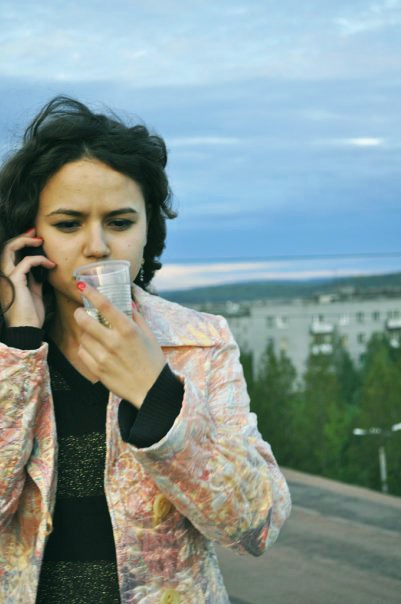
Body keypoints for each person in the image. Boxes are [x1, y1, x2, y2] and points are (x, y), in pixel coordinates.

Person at [0, 96, 291, 604]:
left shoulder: (199, 341)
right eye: (68, 224)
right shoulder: (9, 350)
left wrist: (158, 394)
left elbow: (255, 525)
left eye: (119, 222)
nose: (97, 246)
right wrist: (20, 346)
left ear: (147, 230)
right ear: (30, 235)